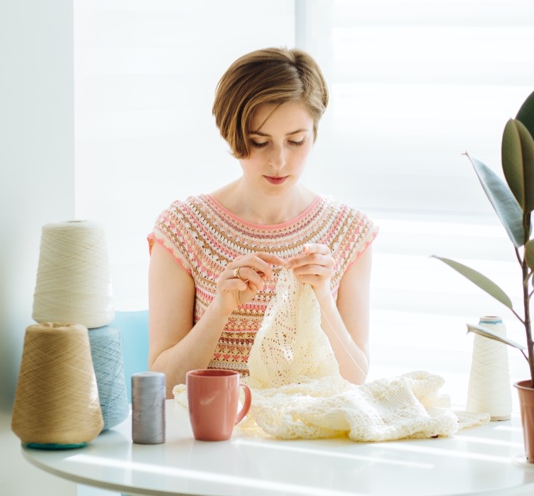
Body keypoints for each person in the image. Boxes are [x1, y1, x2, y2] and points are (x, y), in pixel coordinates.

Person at [147, 47, 378, 396]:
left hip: (309, 434)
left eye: (296, 141)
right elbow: (164, 384)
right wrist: (220, 309)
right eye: (259, 142)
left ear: (315, 132)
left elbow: (354, 378)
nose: (279, 161)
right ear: (232, 135)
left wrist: (322, 297)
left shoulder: (349, 231)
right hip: (215, 435)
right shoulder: (182, 229)